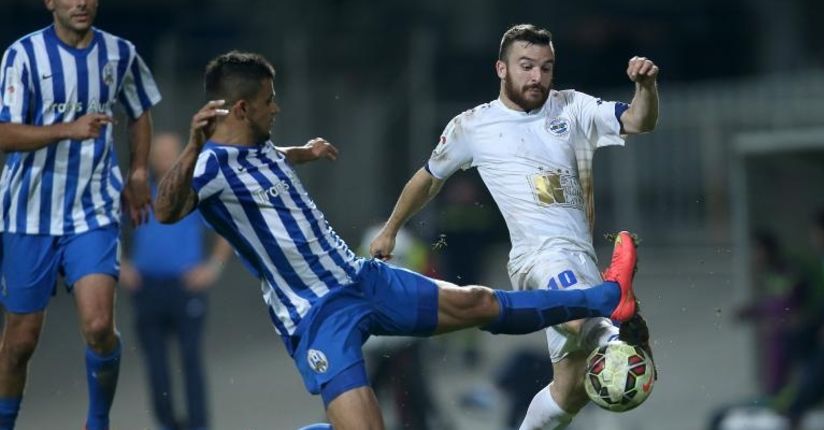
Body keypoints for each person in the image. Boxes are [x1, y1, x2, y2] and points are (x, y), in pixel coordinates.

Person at [153, 51, 640, 430]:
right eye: (268, 101)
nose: (276, 107)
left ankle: (605, 296)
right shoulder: (209, 166)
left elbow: (277, 155)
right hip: (316, 314)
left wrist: (306, 151)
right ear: (241, 108)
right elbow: (165, 210)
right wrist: (193, 145)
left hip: (360, 278)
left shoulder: (260, 148)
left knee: (478, 303)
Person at [369, 24, 660, 430]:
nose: (537, 76)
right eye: (526, 66)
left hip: (581, 256)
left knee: (570, 391)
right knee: (581, 315)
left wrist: (646, 86)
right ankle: (613, 328)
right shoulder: (473, 126)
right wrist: (391, 229)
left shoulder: (572, 107)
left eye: (546, 67)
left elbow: (639, 121)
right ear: (501, 69)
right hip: (538, 256)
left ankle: (609, 317)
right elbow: (429, 179)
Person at [0, 0, 160, 428]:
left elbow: (140, 110)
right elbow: (4, 133)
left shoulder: (119, 53)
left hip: (93, 210)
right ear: (49, 2)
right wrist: (66, 129)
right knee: (20, 342)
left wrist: (138, 171)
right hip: (28, 214)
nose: (81, 2)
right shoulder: (22, 55)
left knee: (99, 325)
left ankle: (97, 422)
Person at [119, 132, 232, 430]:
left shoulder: (194, 190)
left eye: (171, 153)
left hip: (185, 287)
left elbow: (227, 229)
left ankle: (198, 424)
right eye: (159, 154)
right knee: (156, 365)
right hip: (147, 288)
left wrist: (213, 268)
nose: (165, 160)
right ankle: (167, 422)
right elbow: (108, 228)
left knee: (191, 360)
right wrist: (122, 266)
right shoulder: (137, 192)